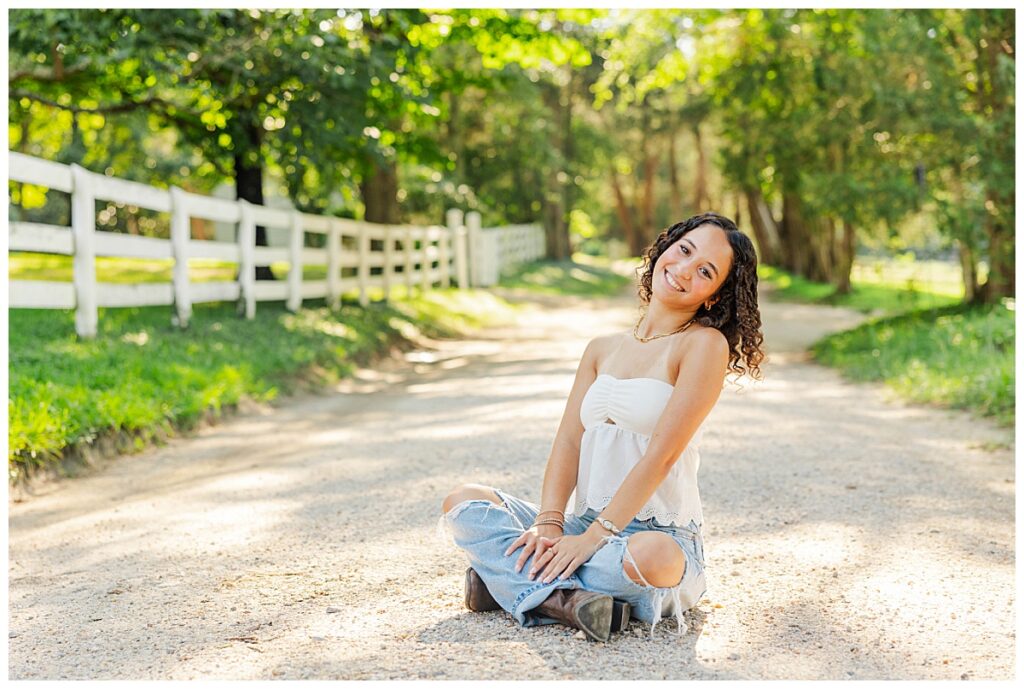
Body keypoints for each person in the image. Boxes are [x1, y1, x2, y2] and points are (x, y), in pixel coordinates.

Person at [438, 212, 765, 642]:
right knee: (463, 502)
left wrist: (596, 538)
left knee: (654, 557)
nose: (685, 269)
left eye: (705, 271)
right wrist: (551, 525)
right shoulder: (601, 348)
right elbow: (569, 440)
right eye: (684, 250)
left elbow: (662, 456)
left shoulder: (703, 345)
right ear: (665, 248)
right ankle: (566, 602)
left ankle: (508, 585)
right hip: (583, 525)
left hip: (653, 536)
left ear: (714, 297)